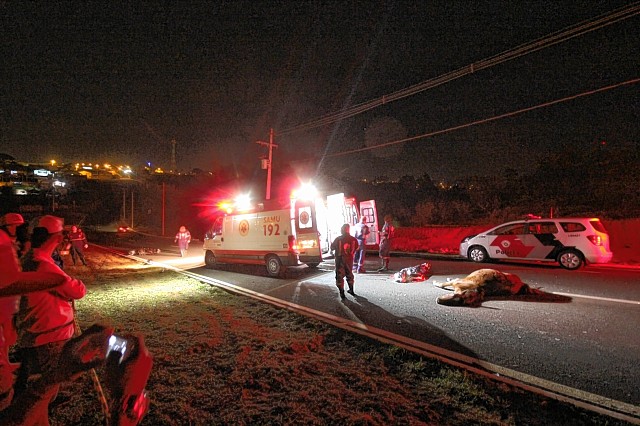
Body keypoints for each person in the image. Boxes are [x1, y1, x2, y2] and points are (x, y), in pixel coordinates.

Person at [12, 215, 86, 422]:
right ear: (53, 237)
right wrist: (75, 283)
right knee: (44, 391)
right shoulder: (41, 264)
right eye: (61, 234)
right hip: (48, 337)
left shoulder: (31, 259)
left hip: (36, 335)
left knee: (36, 389)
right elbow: (76, 290)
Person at [0, 214, 65, 412]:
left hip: (15, 310)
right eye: (17, 227)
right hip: (16, 311)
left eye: (23, 227)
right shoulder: (5, 244)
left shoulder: (18, 247)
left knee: (18, 361)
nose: (21, 231)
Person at [330, 223, 358, 299]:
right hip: (349, 260)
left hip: (340, 260)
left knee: (339, 276)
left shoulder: (338, 239)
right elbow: (356, 248)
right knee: (349, 274)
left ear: (342, 230)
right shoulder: (353, 239)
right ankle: (351, 290)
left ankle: (342, 293)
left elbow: (332, 247)